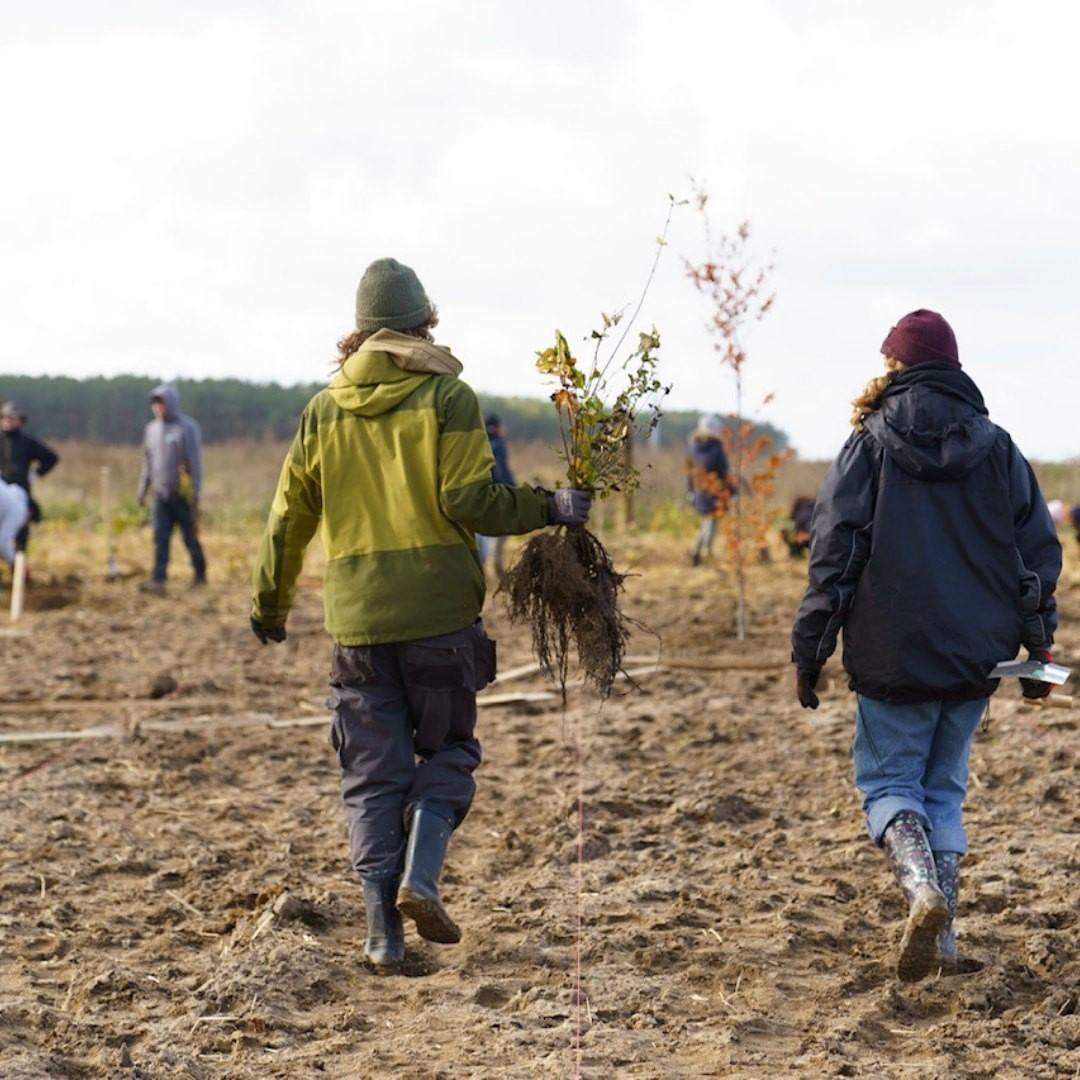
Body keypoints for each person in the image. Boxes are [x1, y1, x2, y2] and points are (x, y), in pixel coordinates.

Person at [249, 257, 591, 969]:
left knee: (371, 776)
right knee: (449, 752)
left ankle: (382, 934)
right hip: (440, 616)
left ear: (359, 331)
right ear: (422, 324)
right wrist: (550, 507)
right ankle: (422, 875)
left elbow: (288, 519)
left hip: (358, 625)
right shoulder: (447, 397)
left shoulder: (322, 411)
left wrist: (270, 605)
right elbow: (470, 501)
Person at [791, 309, 1061, 982]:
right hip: (975, 659)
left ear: (896, 366)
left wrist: (811, 648)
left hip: (892, 655)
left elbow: (835, 553)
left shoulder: (868, 445)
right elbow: (1034, 561)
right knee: (943, 791)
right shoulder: (999, 450)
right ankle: (942, 945)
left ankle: (920, 892)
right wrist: (1038, 653)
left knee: (890, 784)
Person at [136, 385, 207, 592]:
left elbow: (195, 462)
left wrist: (195, 492)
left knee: (189, 537)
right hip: (160, 495)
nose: (158, 407)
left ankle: (200, 574)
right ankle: (158, 579)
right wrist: (142, 490)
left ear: (172, 403)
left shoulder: (186, 428)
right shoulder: (151, 430)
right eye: (155, 404)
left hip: (182, 495)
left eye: (162, 403)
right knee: (160, 537)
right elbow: (148, 462)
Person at [0, 401, 59, 553]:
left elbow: (51, 458)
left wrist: (35, 474)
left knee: (21, 528)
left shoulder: (27, 442)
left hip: (21, 490)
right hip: (2, 492)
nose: (8, 421)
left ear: (20, 421)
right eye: (5, 418)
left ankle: (20, 560)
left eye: (12, 418)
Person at [686, 413, 730, 565]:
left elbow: (689, 473)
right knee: (711, 522)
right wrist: (730, 491)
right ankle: (705, 552)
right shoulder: (717, 449)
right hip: (715, 491)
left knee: (707, 521)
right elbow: (724, 472)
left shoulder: (693, 448)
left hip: (699, 491)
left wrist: (690, 491)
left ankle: (696, 551)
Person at [476, 414, 514, 581]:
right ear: (497, 427)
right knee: (502, 532)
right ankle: (497, 567)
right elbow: (501, 470)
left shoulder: (477, 443)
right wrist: (512, 490)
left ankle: (482, 568)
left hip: (479, 494)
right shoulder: (499, 445)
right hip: (498, 494)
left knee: (480, 535)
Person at [0, 479, 31, 566]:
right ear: (30, 514)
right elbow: (2, 544)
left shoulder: (9, 494)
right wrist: (15, 564)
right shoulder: (19, 511)